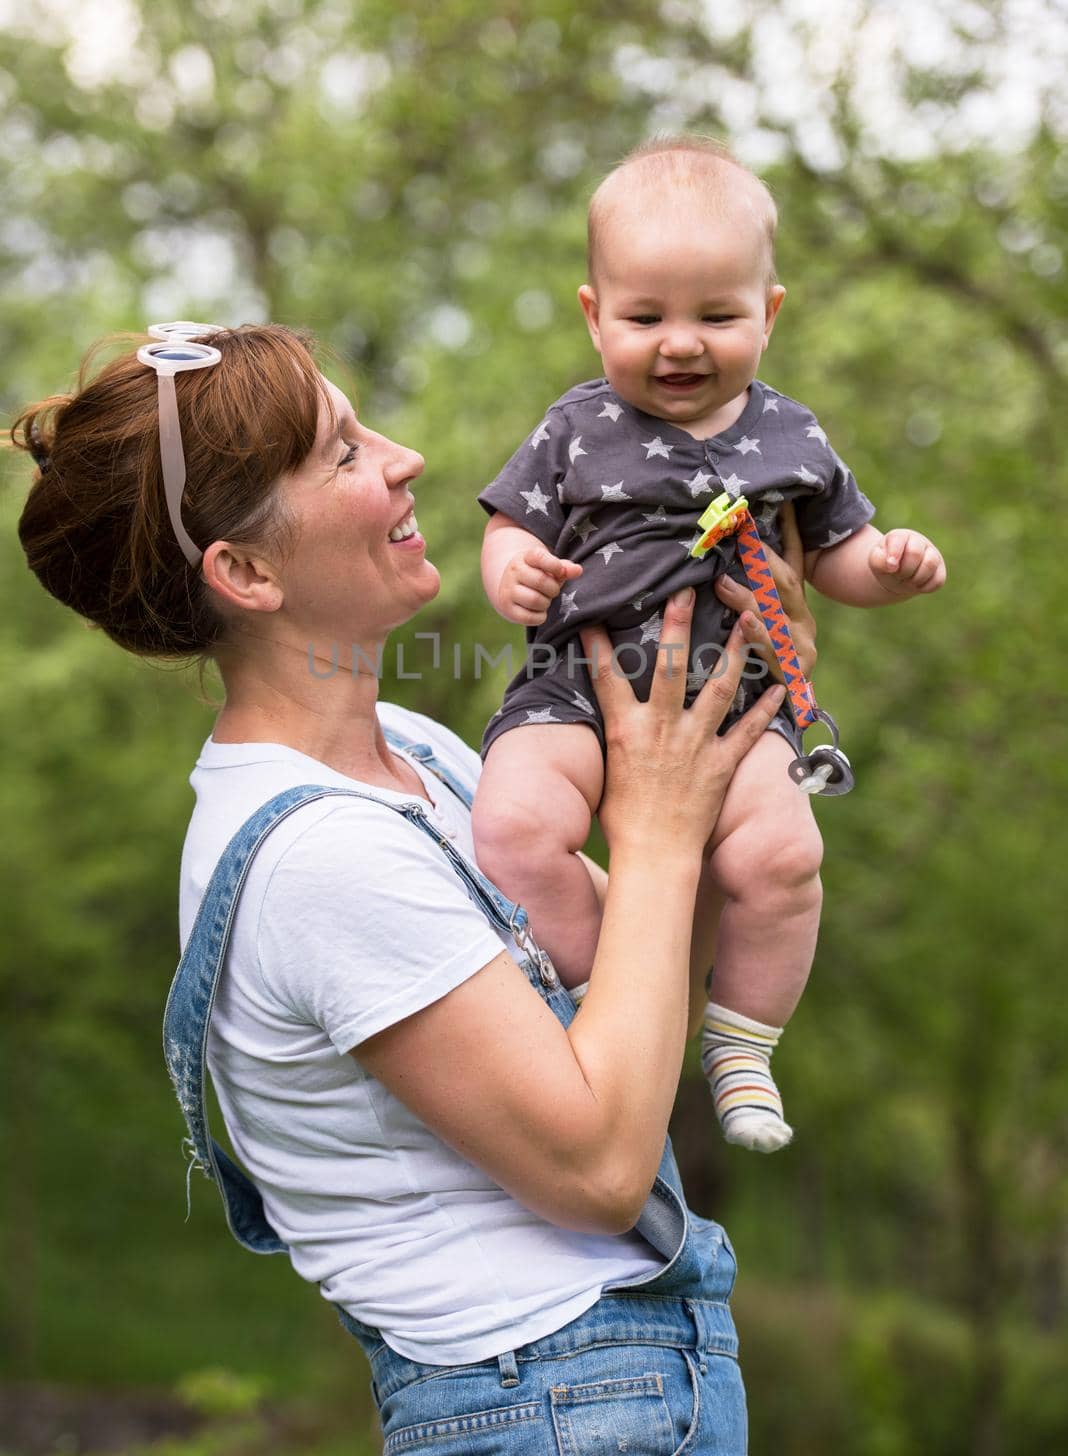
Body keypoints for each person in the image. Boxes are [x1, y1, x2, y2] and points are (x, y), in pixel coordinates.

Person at [10, 321, 816, 1453]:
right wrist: (661, 827)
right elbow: (597, 1164)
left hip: (616, 1387)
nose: (405, 460)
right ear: (245, 572)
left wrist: (734, 719)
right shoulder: (317, 858)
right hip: (548, 1407)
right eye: (343, 453)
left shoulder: (413, 753)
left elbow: (640, 969)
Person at [474, 136, 946, 1154]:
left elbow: (837, 554)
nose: (679, 344)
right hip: (573, 689)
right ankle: (604, 987)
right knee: (512, 826)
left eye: (716, 316)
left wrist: (890, 565)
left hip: (738, 709)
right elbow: (512, 520)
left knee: (784, 858)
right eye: (645, 317)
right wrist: (508, 564)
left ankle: (740, 1041)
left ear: (768, 313)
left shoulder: (793, 439)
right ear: (595, 315)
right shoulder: (576, 428)